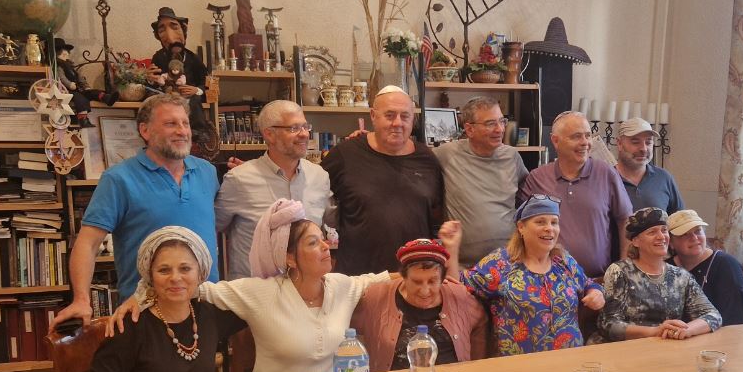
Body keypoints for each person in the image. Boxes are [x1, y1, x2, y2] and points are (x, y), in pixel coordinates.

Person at [113, 199, 390, 372]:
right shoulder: (260, 292)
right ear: (289, 257)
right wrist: (140, 295)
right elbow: (190, 286)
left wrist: (417, 262)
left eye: (323, 239)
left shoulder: (342, 286)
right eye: (313, 243)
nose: (326, 246)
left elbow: (386, 280)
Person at [52, 93, 219, 327]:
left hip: (205, 306)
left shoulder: (207, 172)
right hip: (146, 312)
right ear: (145, 131)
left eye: (185, 123)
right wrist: (81, 299)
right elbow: (88, 244)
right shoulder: (118, 179)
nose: (182, 131)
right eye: (171, 124)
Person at [77, 227, 244, 372]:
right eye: (164, 270)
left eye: (185, 268)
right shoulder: (131, 324)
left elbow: (259, 301)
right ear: (150, 277)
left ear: (200, 274)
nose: (175, 278)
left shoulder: (210, 315)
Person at [442, 195, 604, 355]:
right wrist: (452, 248)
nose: (549, 228)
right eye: (540, 222)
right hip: (519, 365)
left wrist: (596, 292)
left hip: (570, 360)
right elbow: (455, 288)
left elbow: (589, 283)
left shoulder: (564, 260)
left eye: (554, 222)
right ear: (521, 227)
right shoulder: (500, 263)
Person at [323, 85, 443, 274]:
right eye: (389, 115)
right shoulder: (345, 154)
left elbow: (437, 217)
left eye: (405, 116)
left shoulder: (427, 159)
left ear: (413, 119)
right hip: (358, 279)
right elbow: (314, 195)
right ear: (373, 116)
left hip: (413, 278)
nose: (398, 123)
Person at [215, 100, 333, 278]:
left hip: (303, 288)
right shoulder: (239, 179)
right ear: (269, 134)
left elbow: (330, 223)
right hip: (254, 290)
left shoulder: (320, 177)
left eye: (305, 126)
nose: (304, 134)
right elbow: (216, 226)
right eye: (294, 128)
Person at [520, 112, 631, 277]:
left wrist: (624, 267)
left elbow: (625, 220)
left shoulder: (606, 173)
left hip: (598, 281)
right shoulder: (537, 178)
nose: (585, 142)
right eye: (576, 136)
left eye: (588, 135)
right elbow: (523, 228)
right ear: (555, 141)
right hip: (549, 281)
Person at [351, 238, 487, 371]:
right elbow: (345, 326)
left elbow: (481, 323)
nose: (424, 291)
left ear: (443, 278)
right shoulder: (376, 297)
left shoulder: (459, 296)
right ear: (403, 277)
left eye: (432, 281)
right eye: (416, 282)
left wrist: (475, 367)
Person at [598, 207, 721, 342]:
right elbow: (608, 325)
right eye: (652, 232)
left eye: (664, 230)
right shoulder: (619, 271)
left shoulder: (680, 276)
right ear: (636, 241)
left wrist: (686, 329)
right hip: (625, 349)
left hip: (667, 347)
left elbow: (712, 315)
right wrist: (656, 331)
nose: (662, 237)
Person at [432, 96, 529, 267]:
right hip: (463, 268)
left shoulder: (512, 156)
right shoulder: (446, 154)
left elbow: (527, 196)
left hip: (509, 264)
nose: (500, 129)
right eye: (490, 123)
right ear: (469, 129)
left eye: (502, 121)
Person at [667, 209, 743, 325]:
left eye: (698, 231)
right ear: (670, 242)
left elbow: (734, 318)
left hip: (729, 332)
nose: (694, 238)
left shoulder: (726, 265)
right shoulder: (665, 268)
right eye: (684, 234)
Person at [147, 6, 210, 133]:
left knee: (195, 101)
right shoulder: (158, 57)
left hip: (189, 100)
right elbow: (153, 84)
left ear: (183, 29)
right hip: (167, 99)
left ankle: (198, 132)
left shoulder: (193, 58)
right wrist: (150, 79)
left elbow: (206, 83)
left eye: (174, 27)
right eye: (162, 30)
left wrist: (196, 90)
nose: (170, 38)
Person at [613, 118, 684, 213]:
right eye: (635, 142)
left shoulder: (664, 178)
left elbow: (680, 219)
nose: (644, 149)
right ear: (619, 144)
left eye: (648, 142)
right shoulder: (605, 179)